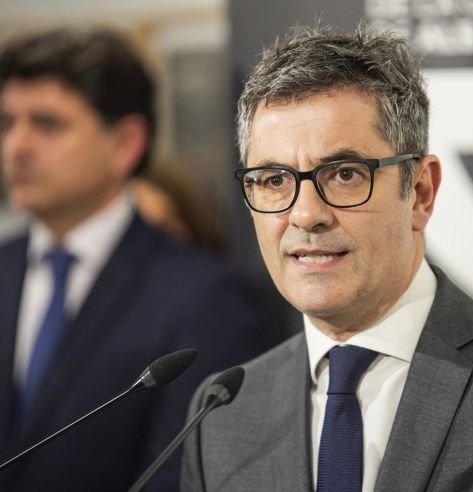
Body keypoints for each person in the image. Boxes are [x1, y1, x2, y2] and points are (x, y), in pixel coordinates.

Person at [181, 23, 473, 491]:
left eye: (344, 174)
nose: (306, 214)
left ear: (421, 191)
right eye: (273, 180)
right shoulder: (223, 415)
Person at [0, 28, 272, 491]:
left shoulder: (206, 298)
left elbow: (184, 475)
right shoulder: (5, 268)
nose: (16, 147)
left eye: (47, 124)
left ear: (126, 143)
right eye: (7, 123)